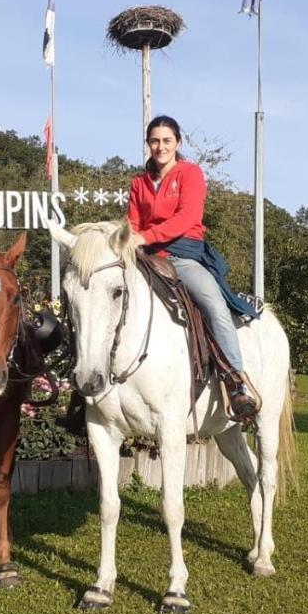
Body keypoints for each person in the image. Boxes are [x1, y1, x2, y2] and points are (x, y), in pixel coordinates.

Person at [127, 115, 260, 419]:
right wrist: (127, 238)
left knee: (214, 306)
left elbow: (186, 218)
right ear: (148, 144)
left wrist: (145, 236)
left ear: (178, 143)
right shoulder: (139, 183)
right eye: (154, 141)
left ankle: (237, 382)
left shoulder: (190, 174)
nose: (160, 147)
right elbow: (132, 221)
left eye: (166, 141)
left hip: (182, 257)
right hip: (145, 256)